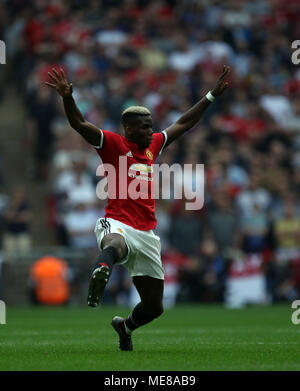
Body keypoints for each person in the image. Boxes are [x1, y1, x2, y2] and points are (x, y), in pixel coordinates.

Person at [45, 65, 230, 351]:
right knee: (114, 244)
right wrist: (68, 98)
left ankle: (125, 326)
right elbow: (80, 125)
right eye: (145, 126)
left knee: (154, 307)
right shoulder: (113, 144)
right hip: (116, 222)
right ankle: (103, 269)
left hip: (147, 233)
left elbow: (183, 124)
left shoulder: (152, 146)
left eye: (151, 125)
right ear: (129, 129)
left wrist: (210, 96)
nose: (151, 130)